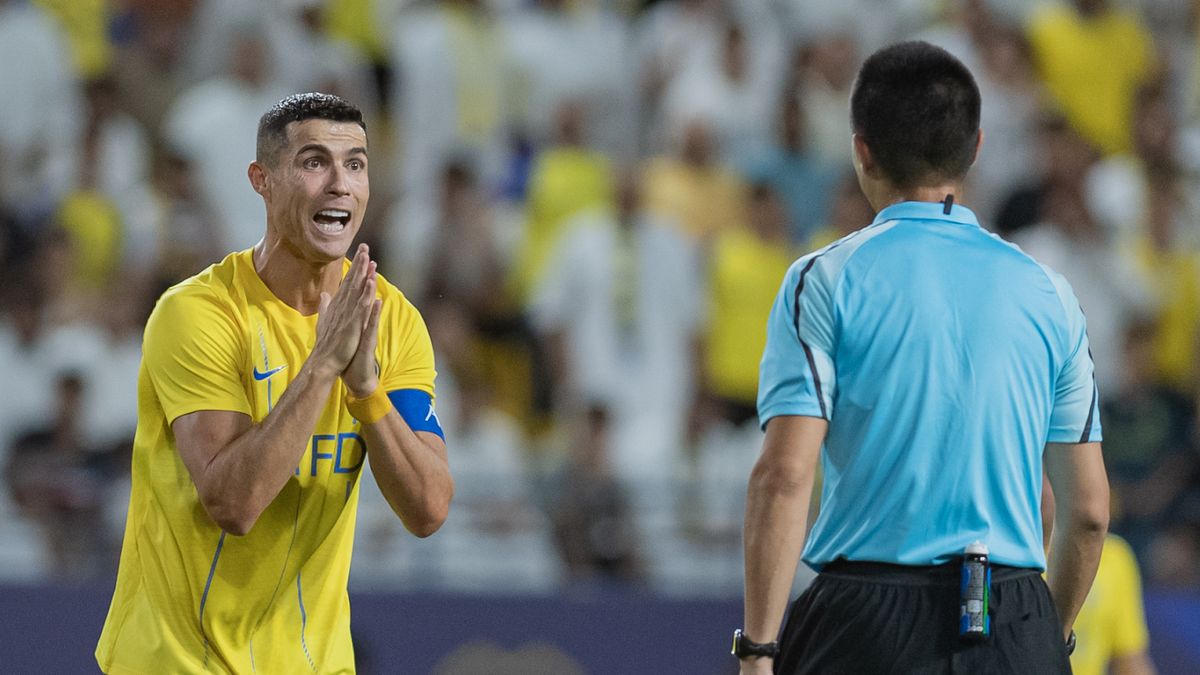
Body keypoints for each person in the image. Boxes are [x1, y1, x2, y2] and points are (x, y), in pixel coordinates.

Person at [735, 42, 1110, 674]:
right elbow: (1089, 514)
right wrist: (1047, 637)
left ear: (861, 150)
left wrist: (759, 651)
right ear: (976, 149)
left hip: (864, 621)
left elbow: (784, 477)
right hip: (1013, 615)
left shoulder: (822, 281)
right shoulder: (1051, 293)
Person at [95, 93, 454, 673]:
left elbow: (429, 508)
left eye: (356, 164)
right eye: (315, 162)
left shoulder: (393, 320)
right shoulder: (198, 314)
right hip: (180, 661)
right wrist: (321, 368)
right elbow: (232, 504)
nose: (340, 184)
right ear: (262, 180)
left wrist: (366, 392)